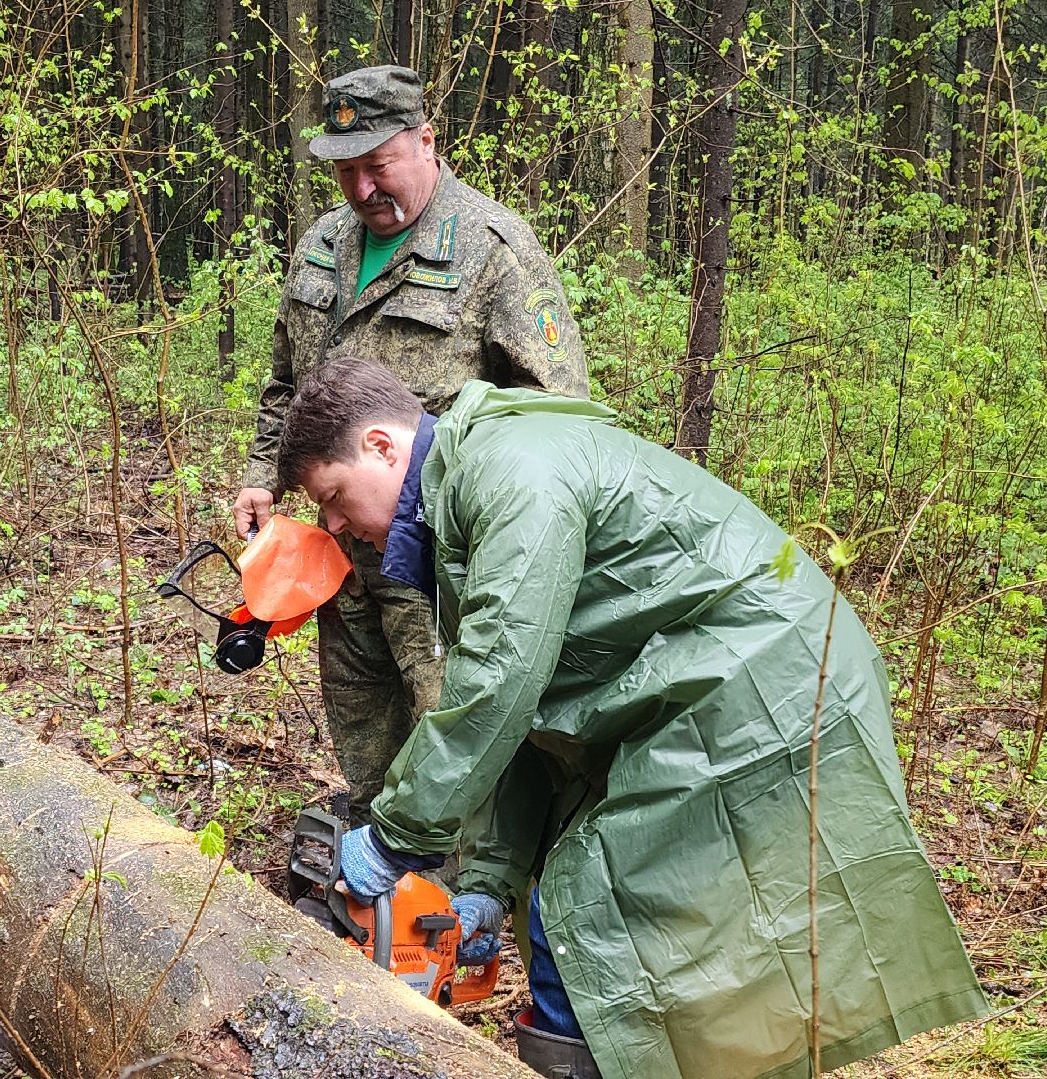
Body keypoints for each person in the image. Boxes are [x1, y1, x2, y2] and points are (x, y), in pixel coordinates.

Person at [276, 358, 988, 1079]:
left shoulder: (511, 475)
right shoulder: (461, 509)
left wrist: (396, 837)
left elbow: (501, 683)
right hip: (700, 687)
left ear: (381, 446)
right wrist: (487, 880)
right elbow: (519, 723)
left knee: (594, 908)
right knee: (611, 915)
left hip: (759, 680)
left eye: (333, 498)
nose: (335, 526)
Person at [232, 64, 588, 826]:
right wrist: (264, 475)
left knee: (449, 730)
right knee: (361, 719)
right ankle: (373, 865)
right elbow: (286, 379)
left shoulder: (495, 250)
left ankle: (452, 888)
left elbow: (558, 419)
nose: (362, 189)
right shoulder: (322, 245)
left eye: (378, 166)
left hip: (440, 560)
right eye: (345, 171)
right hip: (340, 552)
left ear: (426, 141)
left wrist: (499, 539)